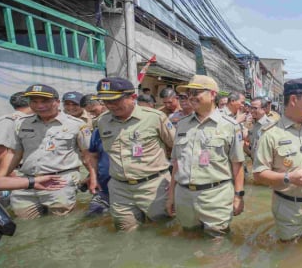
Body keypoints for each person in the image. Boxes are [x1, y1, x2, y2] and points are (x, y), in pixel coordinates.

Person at [253, 78, 302, 242]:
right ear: (293, 100)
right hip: (289, 208)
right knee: (289, 252)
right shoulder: (270, 134)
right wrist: (288, 178)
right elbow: (258, 173)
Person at [92, 77, 176, 231]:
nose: (111, 105)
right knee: (124, 232)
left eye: (116, 100)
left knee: (164, 229)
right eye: (106, 101)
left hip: (153, 186)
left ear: (133, 97)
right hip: (119, 189)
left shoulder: (155, 118)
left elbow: (177, 149)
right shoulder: (102, 121)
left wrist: (175, 181)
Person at [166, 75, 245, 237]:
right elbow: (177, 163)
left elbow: (237, 165)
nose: (191, 97)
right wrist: (171, 195)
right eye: (189, 93)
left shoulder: (230, 126)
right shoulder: (182, 124)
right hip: (184, 196)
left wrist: (238, 196)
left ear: (213, 94)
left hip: (215, 197)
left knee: (217, 245)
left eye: (197, 92)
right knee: (188, 238)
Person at [5, 84, 92, 218]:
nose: (39, 106)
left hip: (60, 182)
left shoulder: (76, 125)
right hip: (27, 182)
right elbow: (15, 154)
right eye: (34, 101)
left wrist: (94, 176)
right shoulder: (21, 123)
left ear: (57, 102)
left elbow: (87, 155)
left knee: (61, 224)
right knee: (25, 224)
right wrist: (2, 179)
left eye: (45, 101)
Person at [0, 92, 33, 203]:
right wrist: (8, 177)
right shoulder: (8, 122)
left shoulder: (31, 120)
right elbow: (0, 153)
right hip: (14, 174)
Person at [81, 95, 110, 216]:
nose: (91, 115)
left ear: (103, 104)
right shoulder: (96, 128)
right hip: (103, 180)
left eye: (93, 111)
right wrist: (93, 177)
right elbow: (94, 155)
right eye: (89, 112)